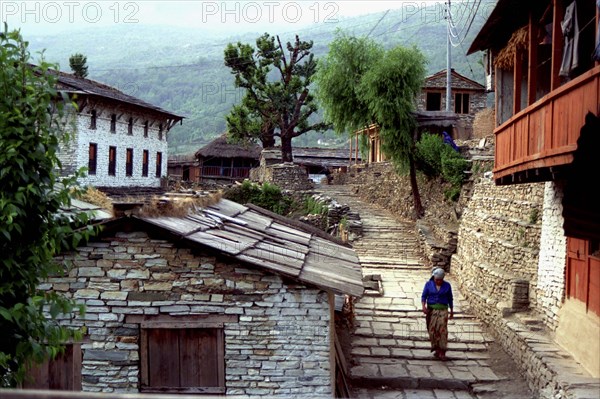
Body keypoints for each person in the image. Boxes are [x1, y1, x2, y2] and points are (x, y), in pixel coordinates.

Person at [421, 268, 454, 360]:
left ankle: (442, 351)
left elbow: (450, 298)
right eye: (437, 280)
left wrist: (451, 311)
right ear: (433, 278)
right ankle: (436, 348)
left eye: (440, 280)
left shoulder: (447, 286)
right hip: (431, 310)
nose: (439, 281)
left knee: (442, 330)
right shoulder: (428, 284)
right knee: (432, 329)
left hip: (443, 310)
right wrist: (423, 307)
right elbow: (424, 296)